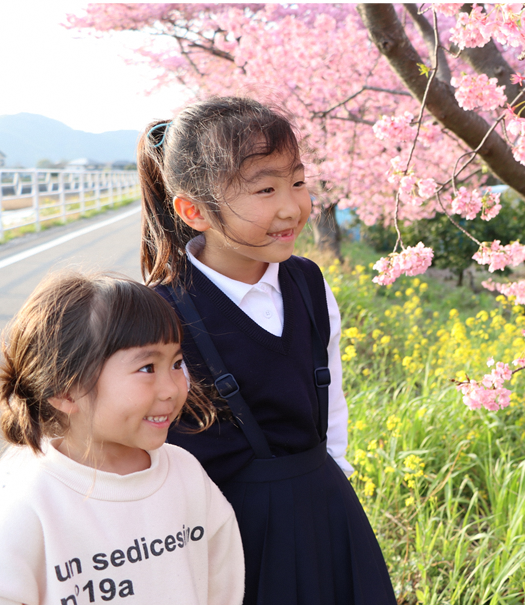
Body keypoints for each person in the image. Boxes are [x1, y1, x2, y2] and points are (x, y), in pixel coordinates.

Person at [137, 97, 396, 605]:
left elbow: (330, 398)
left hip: (325, 510)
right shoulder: (158, 312)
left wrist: (333, 483)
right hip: (224, 532)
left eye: (297, 182)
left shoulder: (309, 283)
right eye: (265, 188)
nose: (291, 206)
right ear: (194, 211)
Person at [0, 271, 244, 605]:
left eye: (176, 362)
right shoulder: (27, 502)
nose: (173, 388)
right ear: (66, 391)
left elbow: (222, 581)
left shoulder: (185, 474)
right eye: (147, 368)